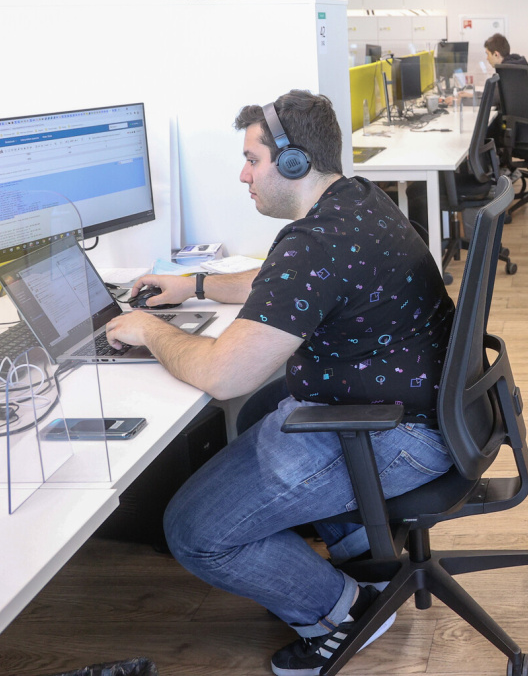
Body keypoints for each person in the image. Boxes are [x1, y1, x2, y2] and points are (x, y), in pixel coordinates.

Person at [105, 90, 455, 676]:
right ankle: (362, 557)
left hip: (395, 434)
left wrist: (148, 329)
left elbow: (223, 375)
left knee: (191, 530)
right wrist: (193, 285)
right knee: (258, 409)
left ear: (294, 162)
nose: (244, 175)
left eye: (252, 159)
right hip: (427, 408)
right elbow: (274, 281)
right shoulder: (355, 201)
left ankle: (345, 612)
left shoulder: (316, 242)